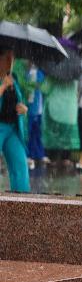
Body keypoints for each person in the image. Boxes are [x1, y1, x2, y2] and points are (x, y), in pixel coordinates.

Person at [0, 48, 30, 192]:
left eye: (12, 58)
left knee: (20, 165)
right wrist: (3, 86)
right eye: (7, 58)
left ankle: (22, 203)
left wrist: (24, 108)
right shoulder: (5, 80)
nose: (11, 62)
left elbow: (19, 100)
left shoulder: (14, 78)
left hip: (12, 128)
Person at [40, 64, 80, 167]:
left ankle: (53, 158)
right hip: (70, 110)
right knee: (67, 135)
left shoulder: (53, 76)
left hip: (55, 108)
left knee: (53, 135)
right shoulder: (74, 77)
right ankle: (66, 158)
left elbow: (44, 89)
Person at [12, 58, 45, 169]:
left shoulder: (37, 73)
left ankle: (36, 154)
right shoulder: (22, 72)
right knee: (28, 132)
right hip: (30, 108)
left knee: (35, 132)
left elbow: (38, 88)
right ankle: (28, 155)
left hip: (35, 108)